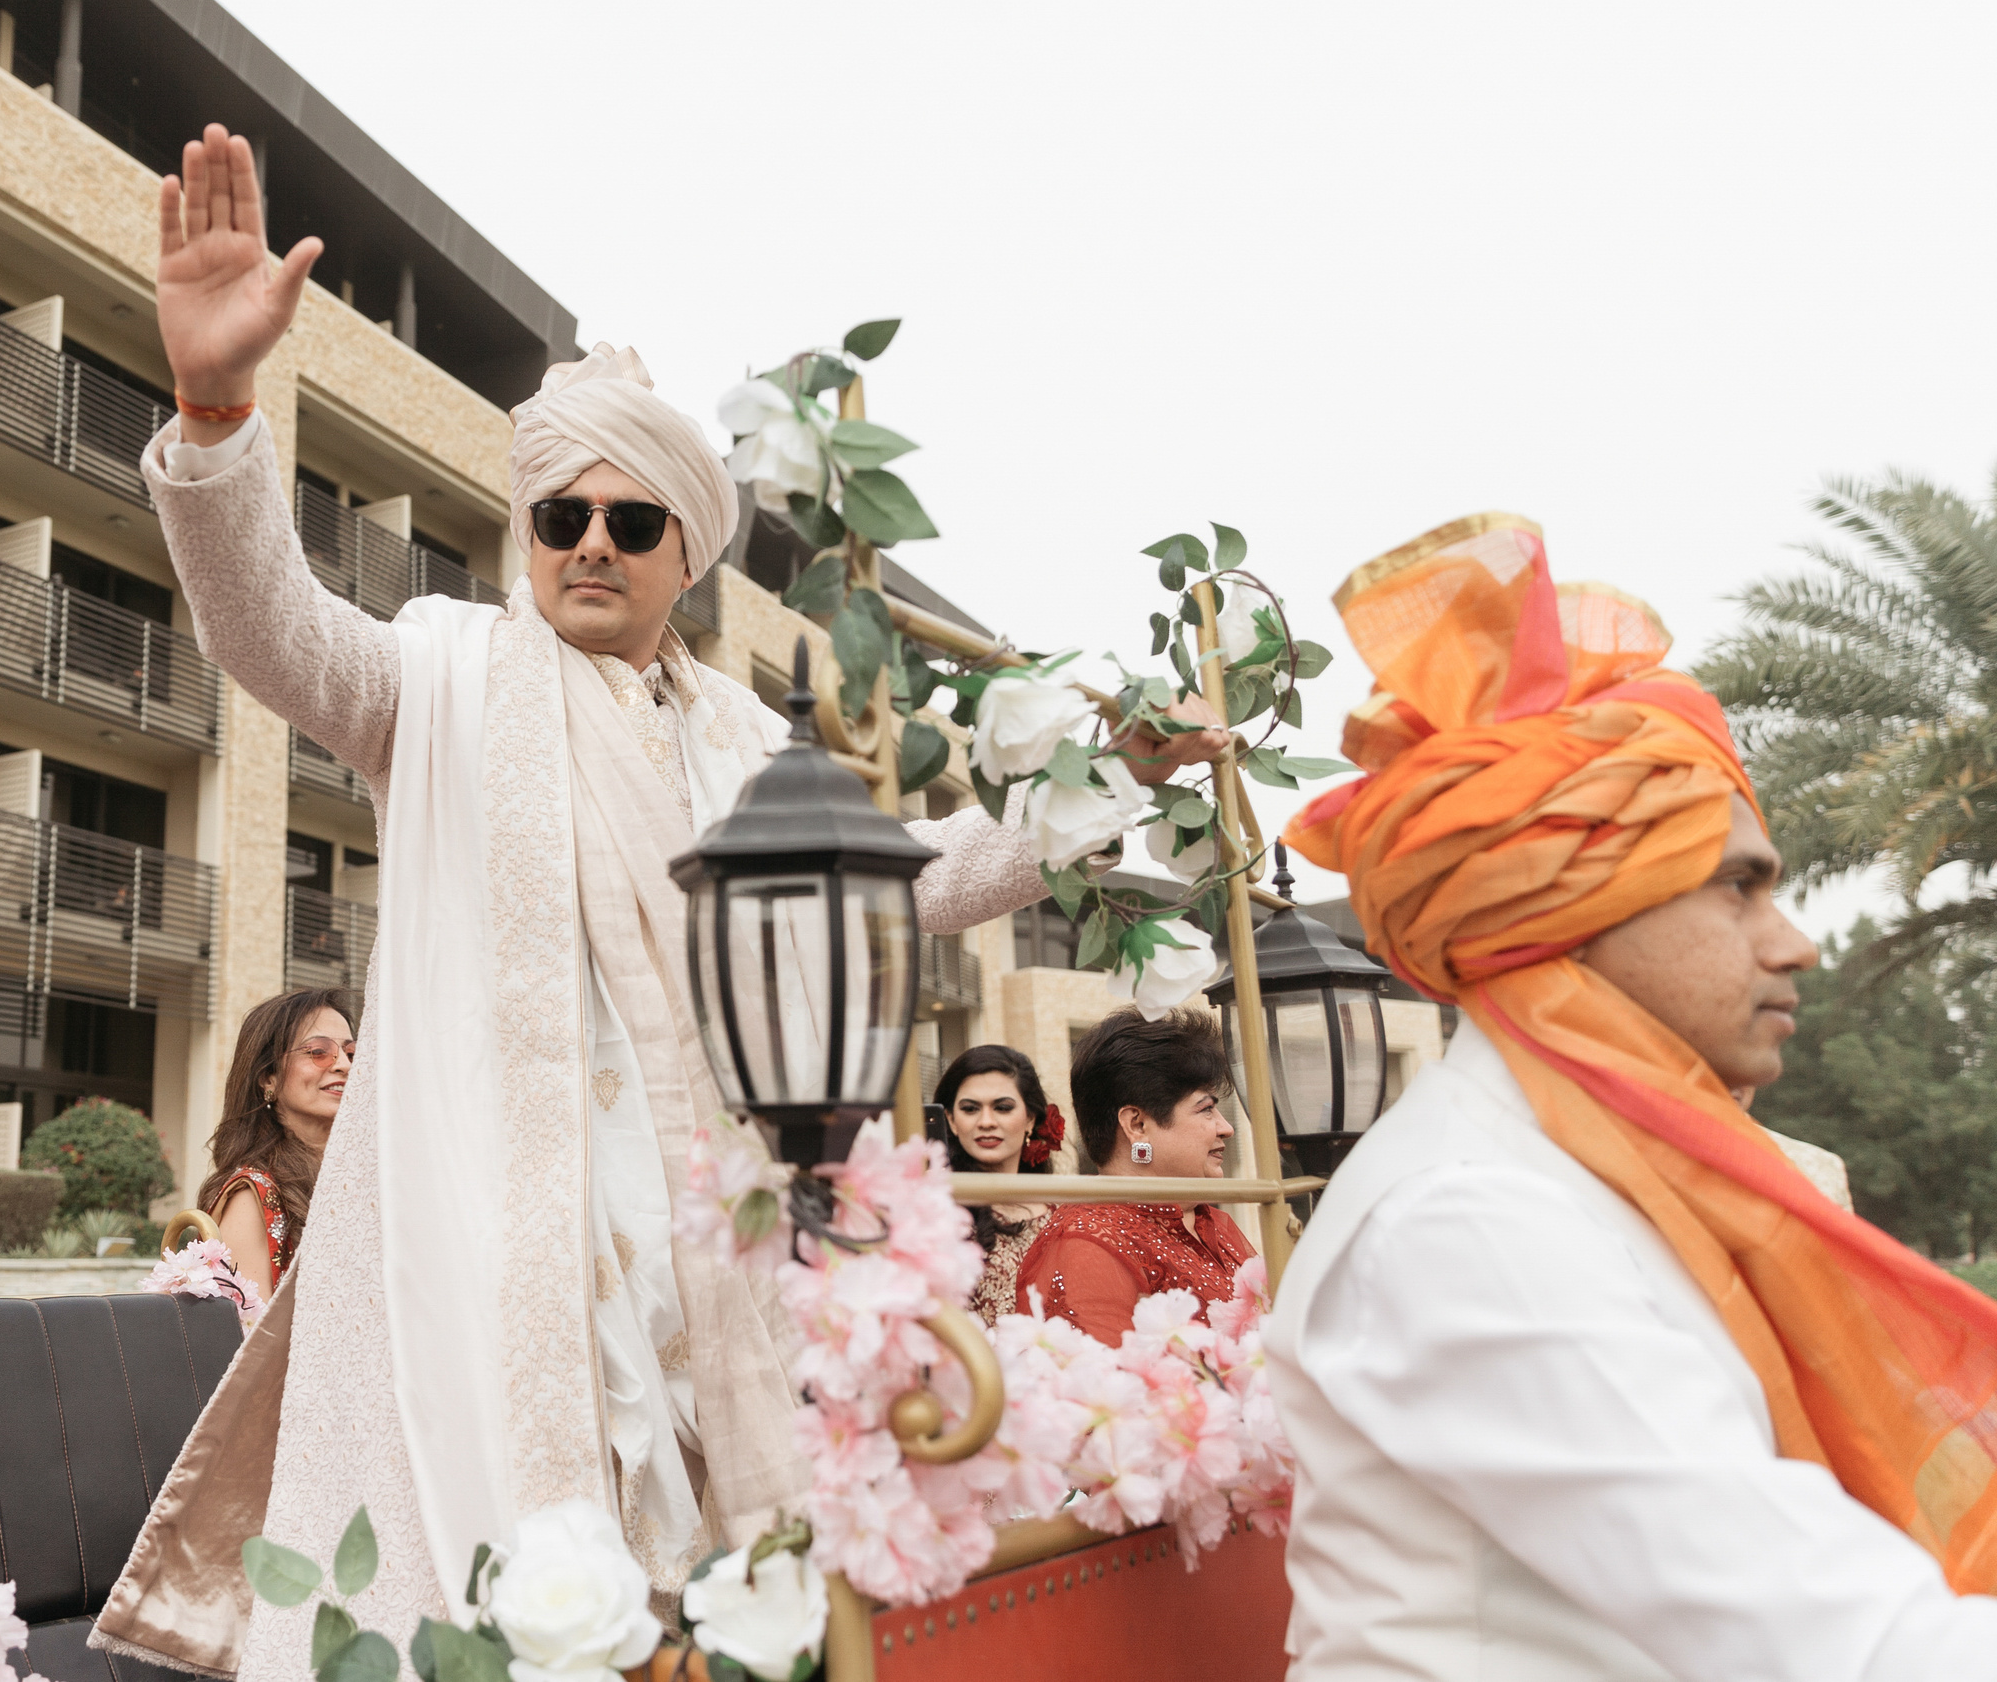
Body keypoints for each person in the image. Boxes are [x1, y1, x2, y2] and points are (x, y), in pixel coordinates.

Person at [93, 124, 1232, 1671]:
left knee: (720, 1612)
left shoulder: (746, 740)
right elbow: (269, 628)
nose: (592, 544)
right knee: (478, 1600)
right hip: (495, 1245)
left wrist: (1099, 768)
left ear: (686, 553)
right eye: (562, 514)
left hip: (709, 1256)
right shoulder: (441, 673)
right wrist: (218, 414)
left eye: (634, 522)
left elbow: (929, 877)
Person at [1267, 515, 1997, 1679]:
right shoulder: (1469, 1214)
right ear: (1566, 906)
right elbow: (1827, 1636)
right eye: (1738, 891)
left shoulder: (1603, 1177)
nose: (1793, 943)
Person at [1016, 1007, 1253, 1338]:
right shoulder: (1087, 1245)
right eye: (1206, 1110)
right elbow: (1107, 1384)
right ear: (1137, 1125)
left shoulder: (1213, 1225)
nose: (1225, 1128)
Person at [201, 989, 354, 1300]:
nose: (344, 1066)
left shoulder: (365, 1175)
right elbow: (252, 1338)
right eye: (319, 1052)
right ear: (267, 1076)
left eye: (352, 1053)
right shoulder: (254, 1197)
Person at [933, 1045, 1062, 1326]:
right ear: (951, 1121)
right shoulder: (934, 1210)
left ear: (1030, 1119)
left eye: (1002, 1108)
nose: (986, 1122)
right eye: (970, 1109)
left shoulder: (1065, 1213)